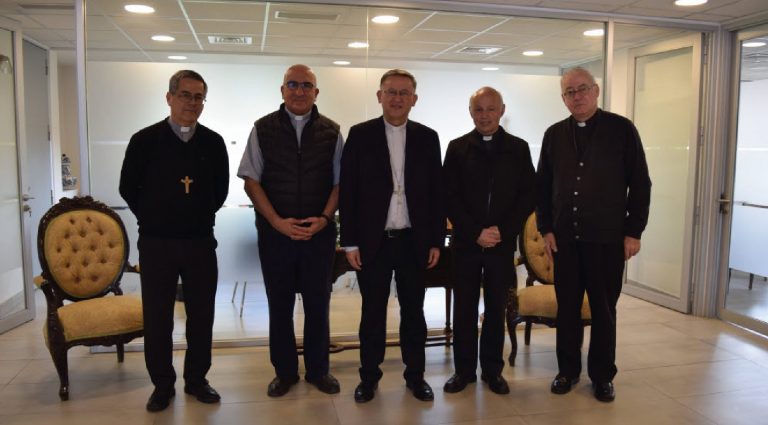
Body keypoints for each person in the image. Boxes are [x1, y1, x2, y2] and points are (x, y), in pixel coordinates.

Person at [536, 67, 651, 402]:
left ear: (596, 90)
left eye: (582, 89)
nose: (577, 96)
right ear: (563, 98)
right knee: (568, 310)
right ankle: (567, 371)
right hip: (565, 241)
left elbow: (640, 183)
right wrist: (546, 228)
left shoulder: (622, 129)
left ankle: (602, 376)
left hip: (607, 240)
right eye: (569, 92)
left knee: (603, 310)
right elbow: (542, 186)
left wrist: (633, 231)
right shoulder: (554, 134)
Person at [119, 70, 229, 412]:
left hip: (199, 242)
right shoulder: (144, 140)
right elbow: (128, 187)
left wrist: (195, 216)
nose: (191, 103)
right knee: (158, 317)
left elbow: (220, 191)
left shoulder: (213, 143)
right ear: (169, 98)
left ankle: (197, 379)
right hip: (157, 244)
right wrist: (154, 217)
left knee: (201, 315)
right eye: (185, 95)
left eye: (198, 97)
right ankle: (162, 385)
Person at [339, 69, 444, 403]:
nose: (397, 98)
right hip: (374, 241)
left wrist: (436, 240)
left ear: (414, 99)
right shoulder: (360, 135)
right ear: (379, 96)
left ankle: (416, 376)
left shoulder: (428, 138)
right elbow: (348, 192)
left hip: (414, 240)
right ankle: (369, 377)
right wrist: (349, 241)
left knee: (414, 312)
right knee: (372, 313)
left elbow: (436, 194)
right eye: (391, 92)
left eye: (404, 92)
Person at [238, 64, 342, 398]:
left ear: (316, 92)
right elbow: (251, 180)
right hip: (275, 235)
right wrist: (276, 222)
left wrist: (324, 218)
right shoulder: (262, 129)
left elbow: (340, 182)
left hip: (318, 234)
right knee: (279, 306)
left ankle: (318, 371)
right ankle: (284, 373)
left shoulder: (332, 132)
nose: (299, 91)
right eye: (293, 85)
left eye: (306, 85)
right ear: (282, 90)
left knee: (317, 305)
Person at [442, 87, 535, 395]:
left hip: (501, 245)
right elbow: (449, 196)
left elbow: (527, 195)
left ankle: (493, 371)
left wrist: (502, 231)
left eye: (491, 109)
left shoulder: (518, 148)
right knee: (464, 309)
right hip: (466, 245)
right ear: (471, 112)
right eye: (478, 109)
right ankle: (464, 371)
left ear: (502, 110)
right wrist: (475, 232)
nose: (485, 116)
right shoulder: (457, 148)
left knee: (496, 308)